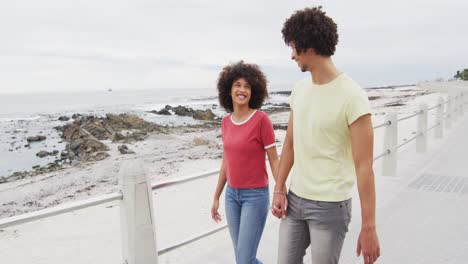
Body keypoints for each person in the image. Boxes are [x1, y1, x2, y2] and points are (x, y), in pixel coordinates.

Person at [271, 7, 381, 264]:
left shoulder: (352, 96)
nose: (292, 55)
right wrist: (279, 189)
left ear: (308, 46)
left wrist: (369, 227)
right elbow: (289, 146)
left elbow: (364, 167)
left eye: (294, 46)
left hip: (330, 206)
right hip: (295, 200)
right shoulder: (299, 90)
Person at [211, 61, 280, 264]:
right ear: (229, 89)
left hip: (255, 196)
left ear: (254, 91)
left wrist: (280, 191)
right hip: (232, 197)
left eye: (247, 86)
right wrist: (216, 196)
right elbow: (227, 162)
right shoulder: (225, 122)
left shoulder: (261, 120)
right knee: (244, 259)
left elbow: (274, 160)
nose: (242, 90)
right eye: (238, 85)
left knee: (243, 260)